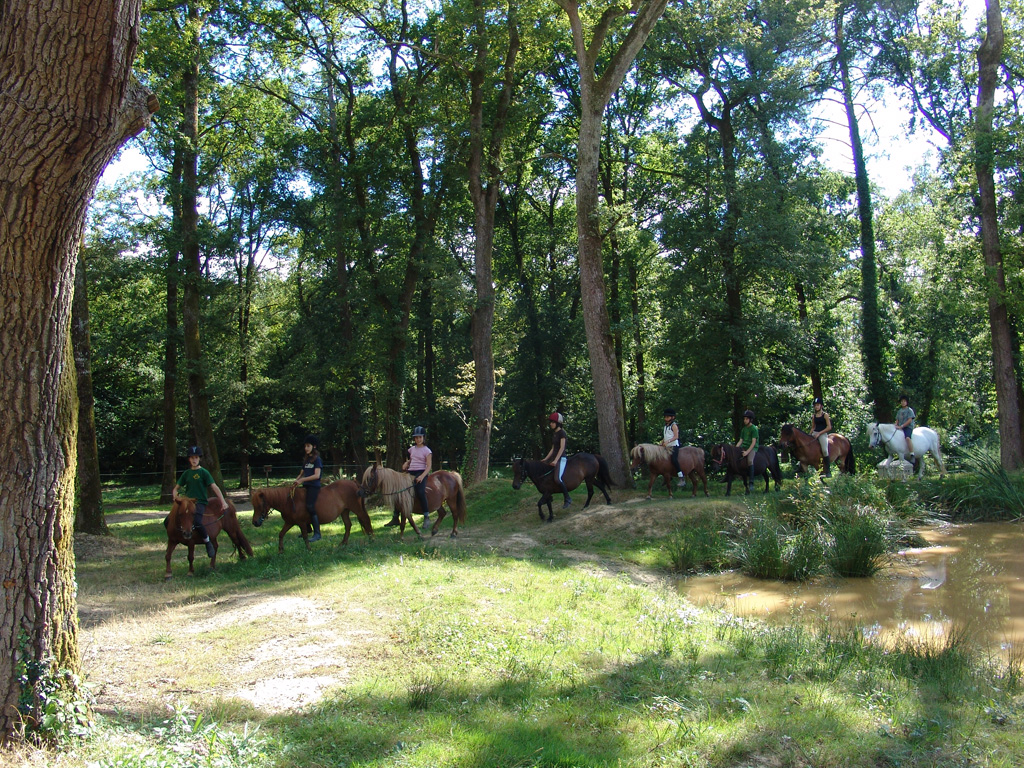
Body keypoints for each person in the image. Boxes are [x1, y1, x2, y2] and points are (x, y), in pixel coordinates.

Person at [173, 445, 228, 559]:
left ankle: (207, 542)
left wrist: (223, 502)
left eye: (196, 457)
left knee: (197, 521)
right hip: (187, 503)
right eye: (192, 457)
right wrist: (175, 496)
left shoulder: (204, 473)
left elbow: (215, 487)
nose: (194, 460)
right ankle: (174, 538)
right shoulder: (186, 473)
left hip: (200, 502)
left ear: (199, 459)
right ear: (189, 459)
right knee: (170, 519)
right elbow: (176, 488)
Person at [292, 434, 323, 542]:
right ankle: (308, 529)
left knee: (310, 506)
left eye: (308, 446)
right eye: (305, 446)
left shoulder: (317, 460)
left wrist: (302, 480)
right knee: (302, 506)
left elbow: (316, 475)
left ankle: (317, 533)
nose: (306, 448)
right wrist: (296, 480)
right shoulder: (306, 459)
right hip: (306, 486)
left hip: (314, 486)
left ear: (314, 446)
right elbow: (302, 472)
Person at [402, 425, 432, 525]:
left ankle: (426, 515)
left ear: (423, 437)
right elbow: (412, 459)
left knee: (420, 491)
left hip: (421, 471)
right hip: (411, 472)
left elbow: (428, 466)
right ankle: (395, 515)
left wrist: (422, 476)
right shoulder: (411, 449)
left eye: (420, 437)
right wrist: (407, 463)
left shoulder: (427, 451)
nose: (418, 439)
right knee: (399, 490)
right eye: (416, 437)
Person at [541, 411, 571, 507]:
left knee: (557, 479)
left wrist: (555, 460)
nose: (551, 424)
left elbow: (562, 448)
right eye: (551, 422)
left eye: (553, 422)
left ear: (558, 423)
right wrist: (545, 459)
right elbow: (553, 448)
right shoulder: (555, 434)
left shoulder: (562, 433)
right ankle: (548, 496)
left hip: (561, 458)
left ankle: (567, 498)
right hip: (554, 458)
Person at [735, 409, 759, 492]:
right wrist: (736, 449)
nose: (744, 420)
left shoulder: (754, 429)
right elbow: (740, 440)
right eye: (744, 419)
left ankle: (751, 482)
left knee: (749, 461)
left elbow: (753, 442)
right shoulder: (744, 429)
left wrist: (747, 452)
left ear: (750, 419)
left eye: (746, 419)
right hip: (744, 446)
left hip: (752, 448)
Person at [809, 396, 833, 477]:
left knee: (825, 450)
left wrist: (819, 433)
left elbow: (829, 427)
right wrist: (809, 435)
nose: (816, 407)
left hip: (822, 434)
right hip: (815, 433)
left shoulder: (825, 415)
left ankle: (828, 471)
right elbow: (813, 427)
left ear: (821, 406)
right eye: (815, 405)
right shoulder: (813, 416)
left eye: (818, 405)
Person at [661, 408, 685, 487]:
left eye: (668, 417)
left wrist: (668, 442)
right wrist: (662, 442)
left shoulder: (674, 425)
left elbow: (676, 436)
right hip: (666, 446)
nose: (666, 418)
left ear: (672, 417)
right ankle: (667, 476)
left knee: (674, 459)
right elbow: (666, 436)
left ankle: (681, 477)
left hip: (674, 445)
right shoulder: (665, 426)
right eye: (665, 417)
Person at [895, 395, 916, 464]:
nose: (903, 402)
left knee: (907, 438)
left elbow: (909, 420)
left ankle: (912, 454)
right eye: (902, 401)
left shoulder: (909, 410)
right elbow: (897, 420)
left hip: (907, 427)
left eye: (904, 401)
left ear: (907, 402)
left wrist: (902, 426)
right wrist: (895, 426)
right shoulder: (899, 411)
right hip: (900, 427)